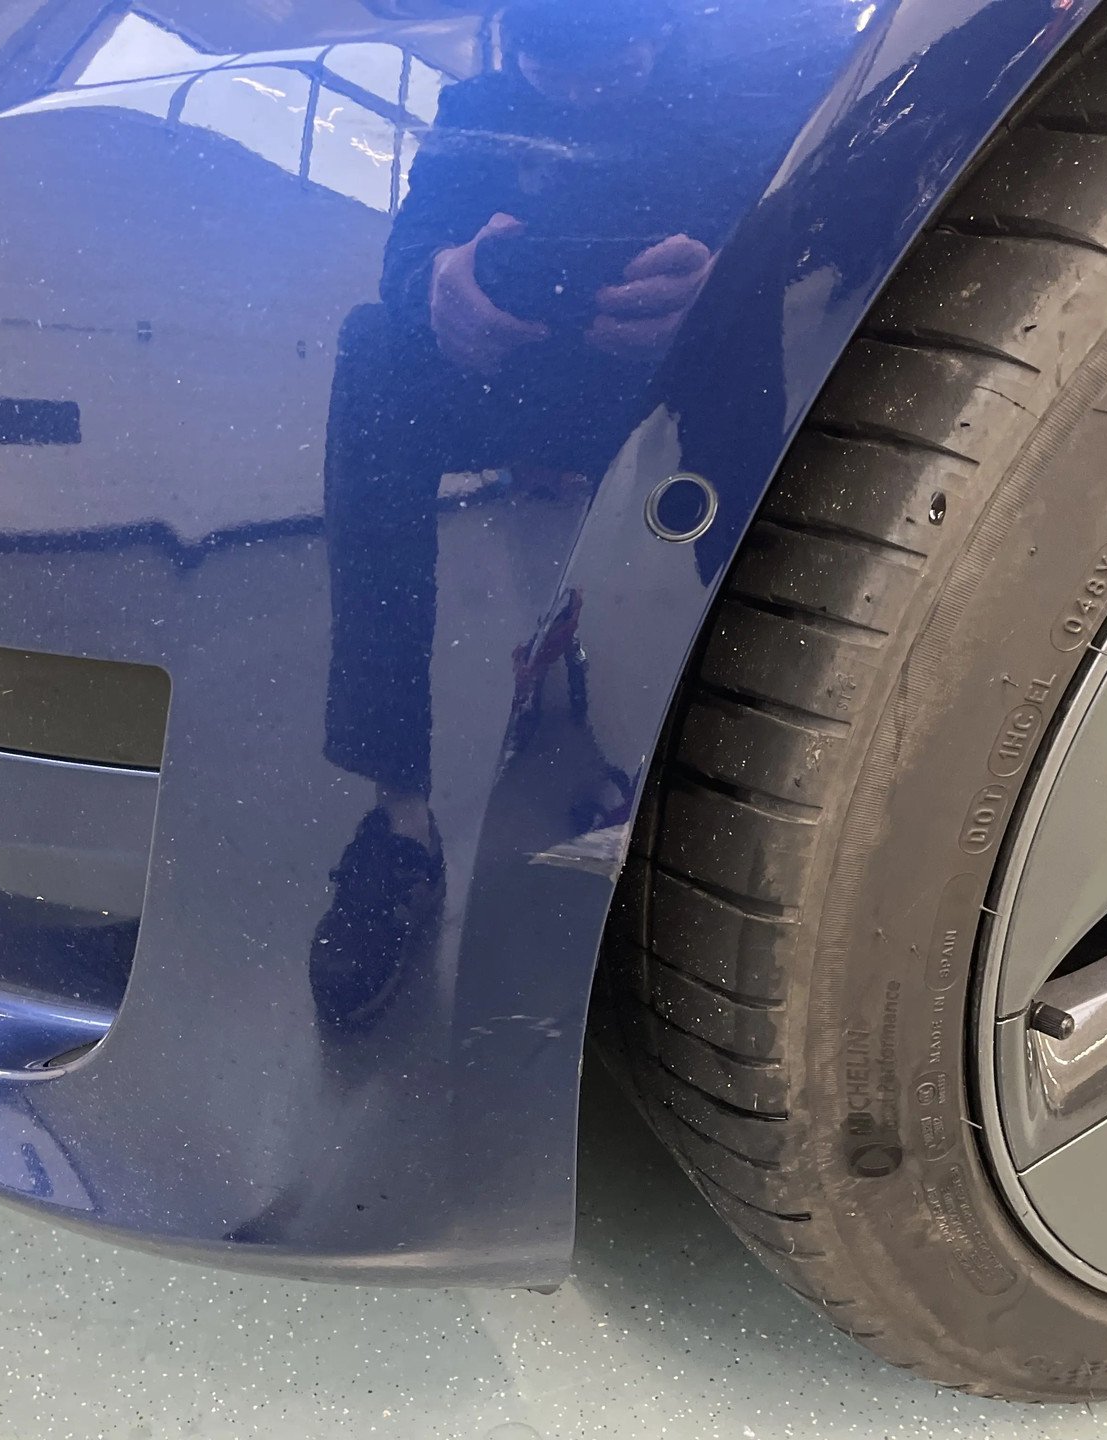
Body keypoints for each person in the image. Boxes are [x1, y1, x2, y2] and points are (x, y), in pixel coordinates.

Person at [311, 0, 737, 1030]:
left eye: (613, 59)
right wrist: (437, 285)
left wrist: (725, 288)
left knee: (760, 358)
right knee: (372, 348)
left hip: (664, 377)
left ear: (664, 29)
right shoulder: (478, 108)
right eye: (556, 62)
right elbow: (404, 260)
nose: (584, 87)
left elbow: (824, 249)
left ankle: (726, 756)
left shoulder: (732, 96)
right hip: (512, 370)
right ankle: (399, 817)